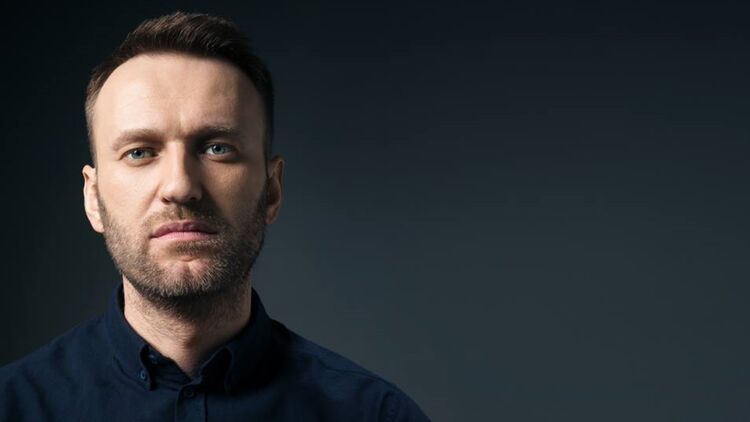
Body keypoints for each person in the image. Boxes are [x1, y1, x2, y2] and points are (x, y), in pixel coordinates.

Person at [0, 12, 429, 421]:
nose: (179, 186)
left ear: (272, 190)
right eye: (140, 152)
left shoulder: (374, 415)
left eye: (216, 148)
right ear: (93, 199)